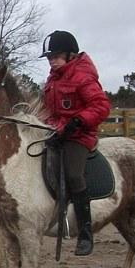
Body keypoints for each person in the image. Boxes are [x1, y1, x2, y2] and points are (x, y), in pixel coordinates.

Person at [41, 30, 111, 256]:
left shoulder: (83, 76)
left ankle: (85, 232)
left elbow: (101, 106)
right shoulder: (53, 78)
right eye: (50, 57)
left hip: (79, 135)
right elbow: (50, 111)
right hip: (58, 132)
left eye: (56, 55)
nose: (52, 60)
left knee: (73, 174)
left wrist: (77, 122)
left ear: (71, 54)